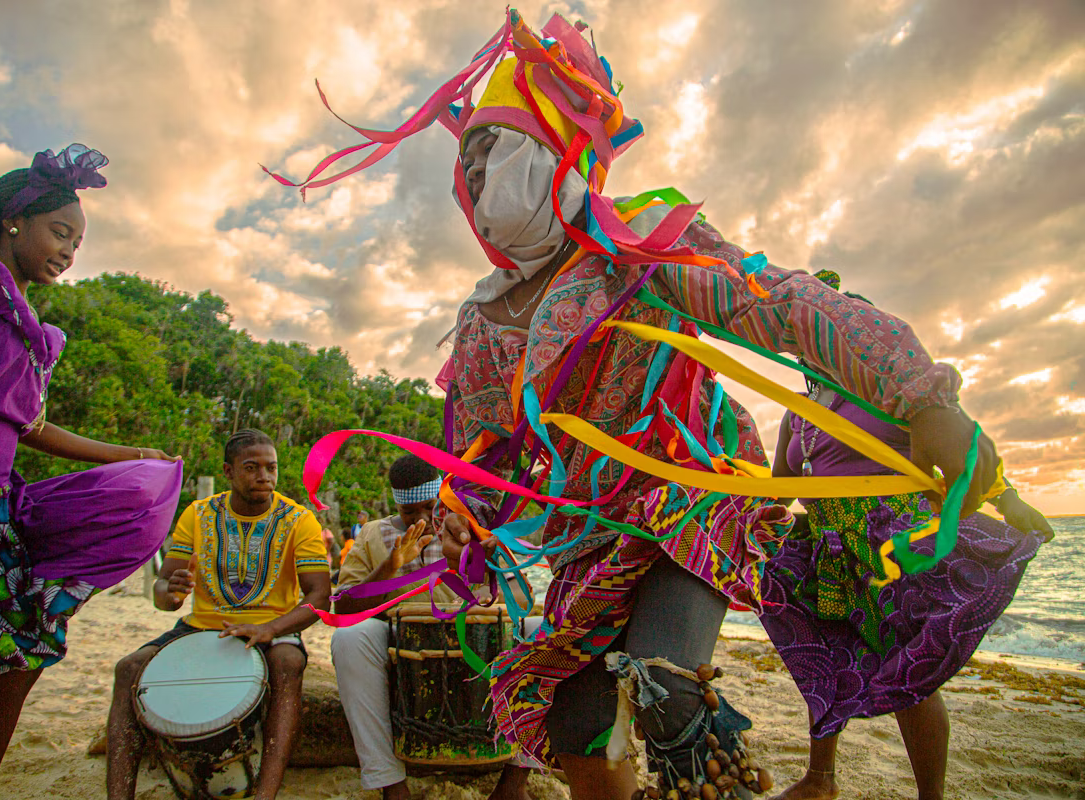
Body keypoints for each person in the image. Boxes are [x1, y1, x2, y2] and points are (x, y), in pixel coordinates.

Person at [278, 11, 1006, 798]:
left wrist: (924, 395)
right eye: (470, 161)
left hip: (694, 495)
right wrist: (470, 514)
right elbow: (492, 449)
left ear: (557, 151)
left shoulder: (640, 246)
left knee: (664, 683)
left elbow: (781, 302)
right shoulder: (481, 320)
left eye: (500, 147)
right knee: (580, 729)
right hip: (589, 537)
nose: (481, 173)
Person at [0, 144, 184, 800]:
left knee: (19, 657)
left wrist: (129, 455)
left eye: (78, 243)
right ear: (13, 220)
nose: (69, 251)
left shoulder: (35, 332)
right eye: (61, 232)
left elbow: (32, 429)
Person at [759, 283, 1052, 800]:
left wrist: (1009, 501)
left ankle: (930, 797)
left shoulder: (890, 393)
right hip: (833, 552)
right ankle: (819, 780)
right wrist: (750, 511)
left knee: (910, 677)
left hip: (893, 548)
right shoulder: (796, 413)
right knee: (827, 661)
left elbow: (959, 451)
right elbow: (781, 486)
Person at [106, 429, 331, 800]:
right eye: (252, 467)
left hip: (272, 629)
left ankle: (265, 793)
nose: (265, 477)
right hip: (199, 627)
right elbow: (162, 592)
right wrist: (172, 592)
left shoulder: (299, 519)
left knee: (289, 662)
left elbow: (320, 597)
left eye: (271, 468)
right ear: (228, 471)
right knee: (128, 669)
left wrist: (270, 628)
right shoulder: (197, 515)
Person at [331, 454, 532, 800]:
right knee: (348, 638)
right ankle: (391, 785)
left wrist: (488, 571)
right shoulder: (372, 534)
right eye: (412, 513)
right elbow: (343, 607)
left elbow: (519, 599)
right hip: (400, 645)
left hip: (475, 642)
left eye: (431, 507)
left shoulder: (470, 527)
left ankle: (514, 784)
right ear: (397, 505)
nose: (424, 518)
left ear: (442, 497)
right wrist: (390, 566)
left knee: (542, 629)